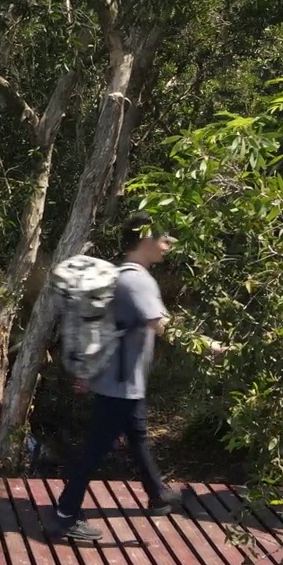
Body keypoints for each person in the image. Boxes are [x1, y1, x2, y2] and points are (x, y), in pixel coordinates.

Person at [50, 211, 183, 542]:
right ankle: (66, 514)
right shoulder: (138, 280)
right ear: (146, 240)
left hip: (121, 379)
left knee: (137, 436)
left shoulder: (123, 275)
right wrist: (214, 348)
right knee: (95, 450)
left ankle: (157, 493)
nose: (168, 244)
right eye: (163, 238)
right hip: (119, 384)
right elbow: (162, 326)